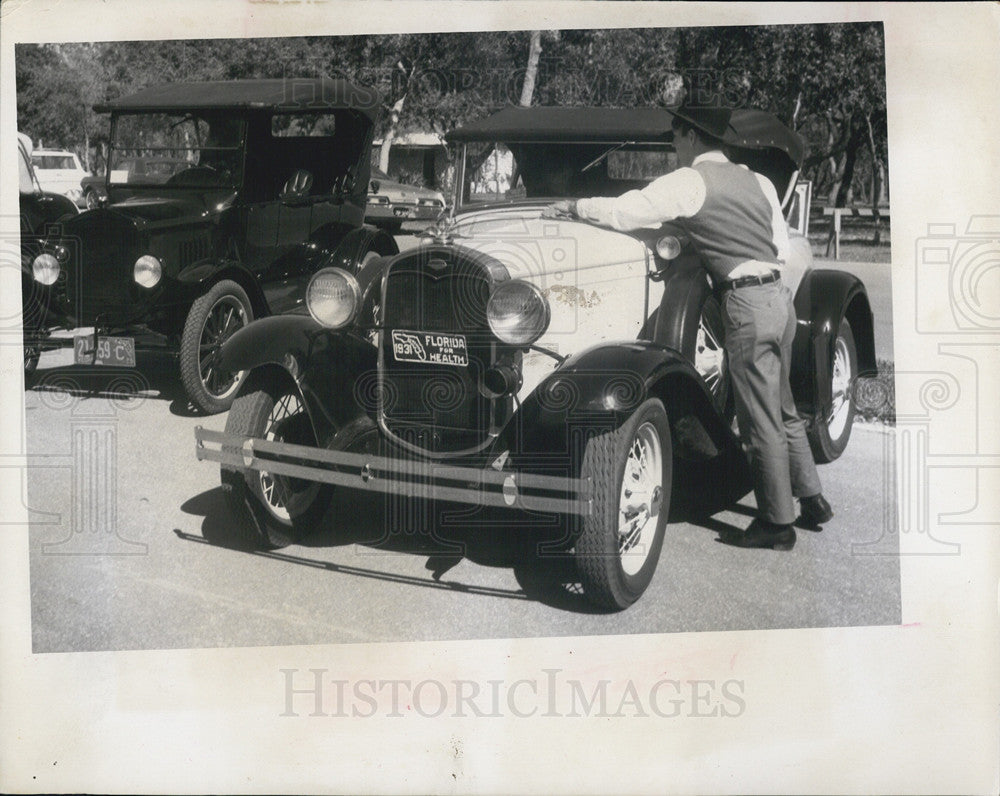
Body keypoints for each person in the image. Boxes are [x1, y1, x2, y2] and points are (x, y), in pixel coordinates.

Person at [546, 104, 833, 551]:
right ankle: (813, 498)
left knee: (759, 421)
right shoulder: (756, 180)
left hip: (746, 303)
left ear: (693, 137)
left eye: (677, 138)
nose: (676, 148)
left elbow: (627, 212)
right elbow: (778, 243)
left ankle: (778, 524)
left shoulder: (690, 181)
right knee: (784, 408)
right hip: (778, 298)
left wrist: (574, 206)